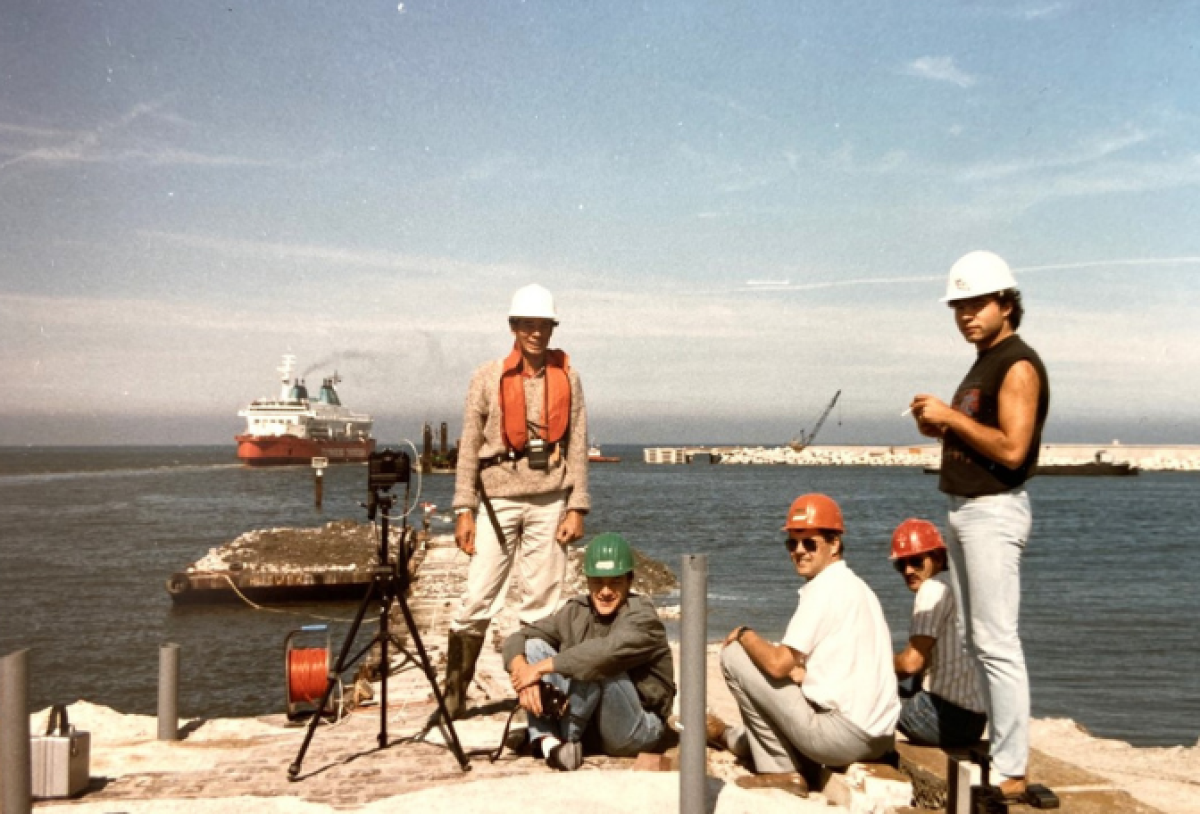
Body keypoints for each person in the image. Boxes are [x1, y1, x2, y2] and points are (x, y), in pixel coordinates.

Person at [909, 250, 1050, 801]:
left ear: (1006, 304)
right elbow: (977, 435)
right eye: (958, 306)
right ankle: (1003, 747)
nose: (966, 314)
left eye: (976, 303)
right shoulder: (984, 361)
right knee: (978, 637)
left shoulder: (1016, 363)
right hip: (968, 509)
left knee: (996, 640)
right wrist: (939, 425)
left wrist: (951, 417)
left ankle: (1013, 767)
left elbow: (1014, 449)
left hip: (993, 511)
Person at [443, 283, 590, 719]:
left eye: (543, 325)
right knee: (477, 595)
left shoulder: (570, 378)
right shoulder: (486, 378)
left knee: (542, 603)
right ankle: (454, 696)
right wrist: (463, 508)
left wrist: (577, 504)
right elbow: (469, 444)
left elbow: (578, 440)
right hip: (496, 501)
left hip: (550, 499)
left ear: (552, 328)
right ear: (513, 327)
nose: (536, 333)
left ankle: (537, 698)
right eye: (527, 324)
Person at [715, 494, 899, 798]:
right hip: (880, 736)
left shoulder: (825, 588)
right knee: (784, 675)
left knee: (735, 655)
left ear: (834, 544)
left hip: (843, 737)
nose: (799, 551)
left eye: (809, 543)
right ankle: (744, 742)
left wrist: (746, 634)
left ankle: (780, 770)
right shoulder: (858, 587)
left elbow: (777, 663)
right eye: (792, 544)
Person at [502, 533, 676, 771]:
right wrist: (524, 674)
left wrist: (539, 670)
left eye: (614, 582)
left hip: (636, 727)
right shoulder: (576, 611)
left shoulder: (643, 617)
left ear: (629, 581)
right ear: (588, 581)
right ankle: (551, 744)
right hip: (593, 723)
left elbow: (605, 653)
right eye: (598, 582)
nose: (605, 591)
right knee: (533, 646)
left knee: (597, 665)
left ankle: (559, 740)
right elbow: (519, 637)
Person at [890, 518, 987, 748]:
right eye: (900, 564)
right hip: (975, 721)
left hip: (941, 717)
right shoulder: (962, 587)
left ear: (938, 558)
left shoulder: (931, 589)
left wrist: (872, 668)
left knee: (859, 691)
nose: (908, 570)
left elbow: (910, 664)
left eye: (915, 561)